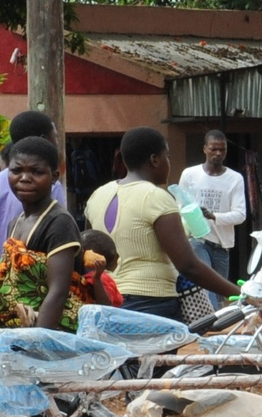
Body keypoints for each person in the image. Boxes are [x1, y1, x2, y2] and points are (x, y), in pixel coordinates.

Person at [83, 126, 235, 321]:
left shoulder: (98, 195)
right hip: (151, 303)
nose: (169, 163)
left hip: (105, 297)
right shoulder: (157, 197)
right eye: (167, 157)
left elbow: (90, 246)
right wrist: (239, 293)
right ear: (154, 160)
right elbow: (188, 265)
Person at [3, 135, 88, 328]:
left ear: (54, 177)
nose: (24, 178)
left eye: (36, 172)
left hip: (52, 331)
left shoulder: (59, 222)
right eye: (16, 170)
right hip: (16, 330)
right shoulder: (16, 223)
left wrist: (38, 341)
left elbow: (58, 292)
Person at [178, 131, 249, 284]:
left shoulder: (235, 179)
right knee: (205, 288)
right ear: (205, 149)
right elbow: (180, 207)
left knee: (218, 291)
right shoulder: (189, 174)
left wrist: (213, 216)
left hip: (222, 246)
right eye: (213, 149)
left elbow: (240, 215)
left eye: (222, 149)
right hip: (198, 241)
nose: (218, 153)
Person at [0, 111, 68, 236]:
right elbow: (62, 233)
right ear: (43, 140)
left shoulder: (3, 179)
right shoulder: (51, 185)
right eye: (55, 136)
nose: (58, 142)